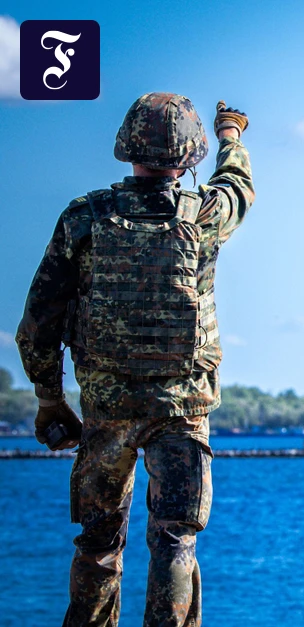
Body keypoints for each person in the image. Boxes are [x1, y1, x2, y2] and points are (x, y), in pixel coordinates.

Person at [15, 92, 253, 627]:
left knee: (98, 542)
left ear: (127, 148)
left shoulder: (84, 217)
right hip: (183, 408)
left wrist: (50, 398)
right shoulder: (207, 213)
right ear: (189, 157)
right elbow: (238, 186)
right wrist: (231, 135)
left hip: (107, 406)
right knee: (175, 540)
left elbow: (38, 323)